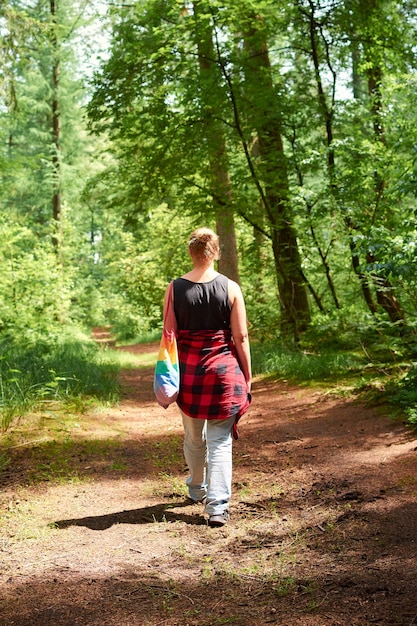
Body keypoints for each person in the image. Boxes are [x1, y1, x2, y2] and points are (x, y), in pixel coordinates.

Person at [162, 227, 252, 527]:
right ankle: (217, 508)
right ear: (216, 253)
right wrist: (247, 374)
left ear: (191, 252)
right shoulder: (231, 287)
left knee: (193, 436)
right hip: (224, 373)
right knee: (220, 440)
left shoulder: (174, 289)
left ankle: (196, 487)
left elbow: (169, 336)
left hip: (189, 373)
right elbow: (240, 337)